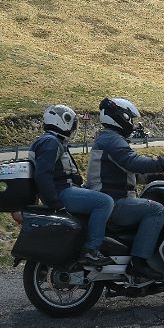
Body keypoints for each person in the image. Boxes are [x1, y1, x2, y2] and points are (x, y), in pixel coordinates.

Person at [88, 98, 164, 280]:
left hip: (111, 199)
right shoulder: (111, 139)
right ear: (120, 117)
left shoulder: (110, 139)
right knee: (157, 210)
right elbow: (133, 162)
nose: (132, 123)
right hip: (112, 201)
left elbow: (135, 176)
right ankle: (138, 262)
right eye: (130, 118)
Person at [30, 104, 114, 267]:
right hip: (62, 192)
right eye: (72, 123)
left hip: (63, 190)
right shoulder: (50, 142)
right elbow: (43, 174)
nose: (73, 128)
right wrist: (54, 202)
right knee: (105, 202)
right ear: (62, 121)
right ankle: (91, 250)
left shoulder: (51, 141)